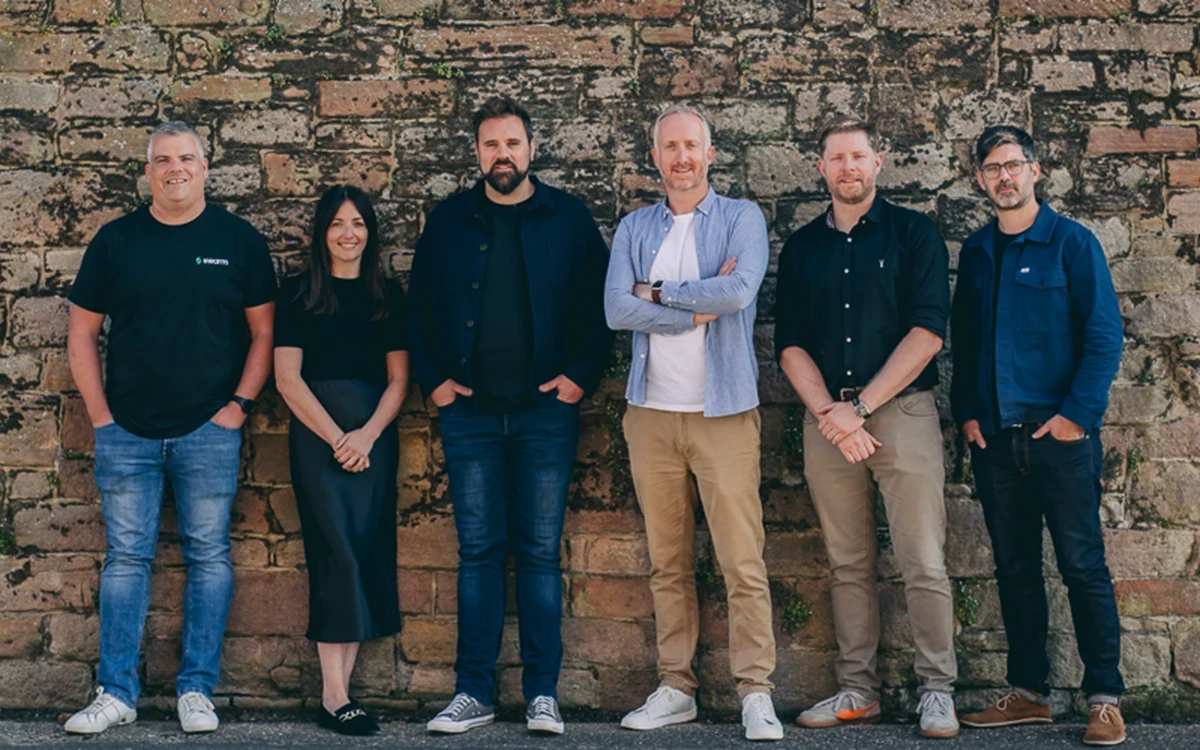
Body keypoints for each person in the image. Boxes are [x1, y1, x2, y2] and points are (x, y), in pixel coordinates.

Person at [409, 97, 612, 736]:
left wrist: (581, 379)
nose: (503, 155)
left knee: (539, 553)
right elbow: (415, 310)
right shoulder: (448, 221)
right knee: (477, 553)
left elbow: (601, 306)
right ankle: (473, 692)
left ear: (531, 149)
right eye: (491, 145)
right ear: (477, 153)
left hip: (545, 414)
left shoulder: (568, 218)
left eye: (513, 144)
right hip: (468, 413)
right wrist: (435, 382)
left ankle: (542, 693)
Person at [64, 121, 276, 735]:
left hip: (209, 428)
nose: (174, 169)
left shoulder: (237, 241)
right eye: (162, 160)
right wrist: (101, 417)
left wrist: (237, 406)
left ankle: (196, 690)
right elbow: (81, 334)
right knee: (126, 558)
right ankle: (117, 692)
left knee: (209, 555)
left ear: (205, 167)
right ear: (148, 170)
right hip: (125, 428)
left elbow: (264, 334)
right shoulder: (117, 241)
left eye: (186, 158)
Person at [774, 116, 958, 739]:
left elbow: (928, 332)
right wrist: (831, 411)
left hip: (901, 413)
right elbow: (789, 343)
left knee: (922, 559)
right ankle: (859, 690)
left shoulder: (915, 233)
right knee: (847, 562)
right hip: (827, 420)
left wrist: (862, 407)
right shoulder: (802, 248)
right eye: (836, 158)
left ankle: (937, 689)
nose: (848, 167)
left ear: (878, 162)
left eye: (858, 156)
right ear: (820, 168)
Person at [605, 103, 783, 742]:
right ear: (655, 157)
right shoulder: (634, 227)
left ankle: (756, 690)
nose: (681, 157)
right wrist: (690, 305)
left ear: (710, 155)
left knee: (742, 559)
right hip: (651, 414)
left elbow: (738, 295)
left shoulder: (741, 218)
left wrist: (658, 291)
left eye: (692, 146)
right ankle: (676, 685)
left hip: (723, 414)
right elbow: (615, 308)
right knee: (667, 561)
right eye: (669, 146)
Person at [952, 125, 1126, 747]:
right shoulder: (975, 252)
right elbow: (966, 342)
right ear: (979, 178)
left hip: (1063, 440)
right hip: (997, 442)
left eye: (1014, 165)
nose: (1004, 176)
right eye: (992, 168)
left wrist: (1078, 414)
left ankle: (1104, 697)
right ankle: (1028, 695)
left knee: (1083, 567)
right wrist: (966, 412)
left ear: (1036, 170)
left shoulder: (1072, 244)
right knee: (1015, 569)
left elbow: (1105, 336)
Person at [274, 185, 408, 736]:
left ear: (370, 232)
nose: (348, 233)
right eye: (336, 224)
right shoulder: (299, 292)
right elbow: (287, 378)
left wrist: (368, 435)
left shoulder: (386, 293)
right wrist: (338, 439)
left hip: (373, 436)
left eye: (357, 223)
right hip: (318, 436)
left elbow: (400, 379)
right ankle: (334, 696)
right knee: (335, 554)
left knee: (363, 550)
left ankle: (342, 693)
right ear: (321, 233)